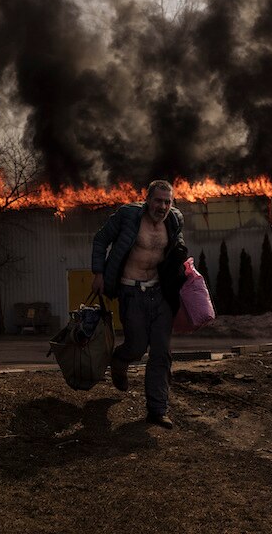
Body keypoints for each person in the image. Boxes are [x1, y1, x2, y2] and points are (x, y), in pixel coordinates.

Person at [90, 179, 187, 428]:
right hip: (131, 292)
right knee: (136, 346)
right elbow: (100, 239)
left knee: (161, 352)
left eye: (167, 201)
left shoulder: (175, 220)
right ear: (147, 200)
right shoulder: (128, 216)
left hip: (160, 293)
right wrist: (98, 273)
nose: (163, 206)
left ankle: (157, 409)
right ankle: (120, 360)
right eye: (158, 200)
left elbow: (177, 249)